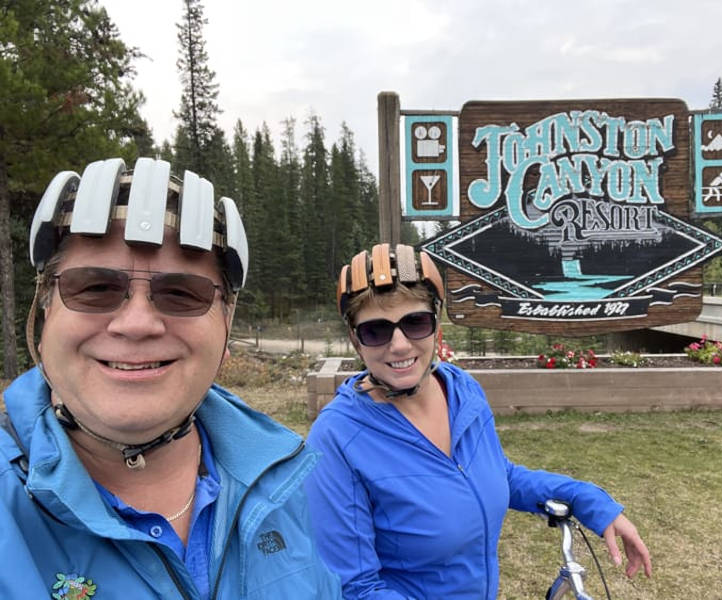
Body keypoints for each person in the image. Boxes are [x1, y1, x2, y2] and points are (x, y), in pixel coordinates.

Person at [0, 157, 341, 599]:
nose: (137, 323)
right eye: (95, 288)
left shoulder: (280, 475)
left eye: (181, 293)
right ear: (45, 309)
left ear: (226, 318)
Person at [305, 243, 652, 599]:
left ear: (436, 324)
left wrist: (588, 500)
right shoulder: (336, 439)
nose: (399, 345)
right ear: (355, 340)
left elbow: (498, 475)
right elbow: (355, 588)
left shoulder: (462, 391)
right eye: (376, 331)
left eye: (415, 322)